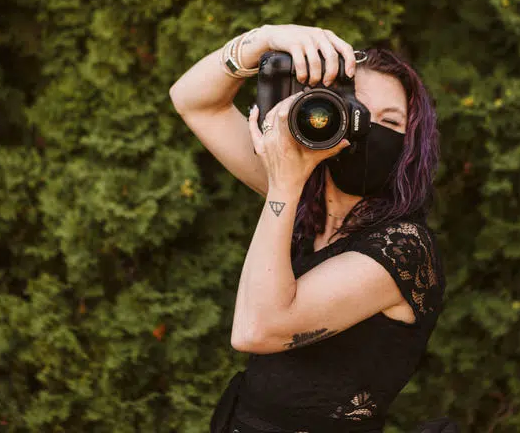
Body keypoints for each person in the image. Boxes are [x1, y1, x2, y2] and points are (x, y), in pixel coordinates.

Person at [169, 24, 447, 433]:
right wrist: (264, 39)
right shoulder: (304, 198)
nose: (368, 129)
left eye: (390, 121)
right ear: (327, 113)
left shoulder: (404, 249)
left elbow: (257, 330)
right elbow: (193, 101)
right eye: (359, 111)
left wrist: (284, 181)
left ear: (410, 145)